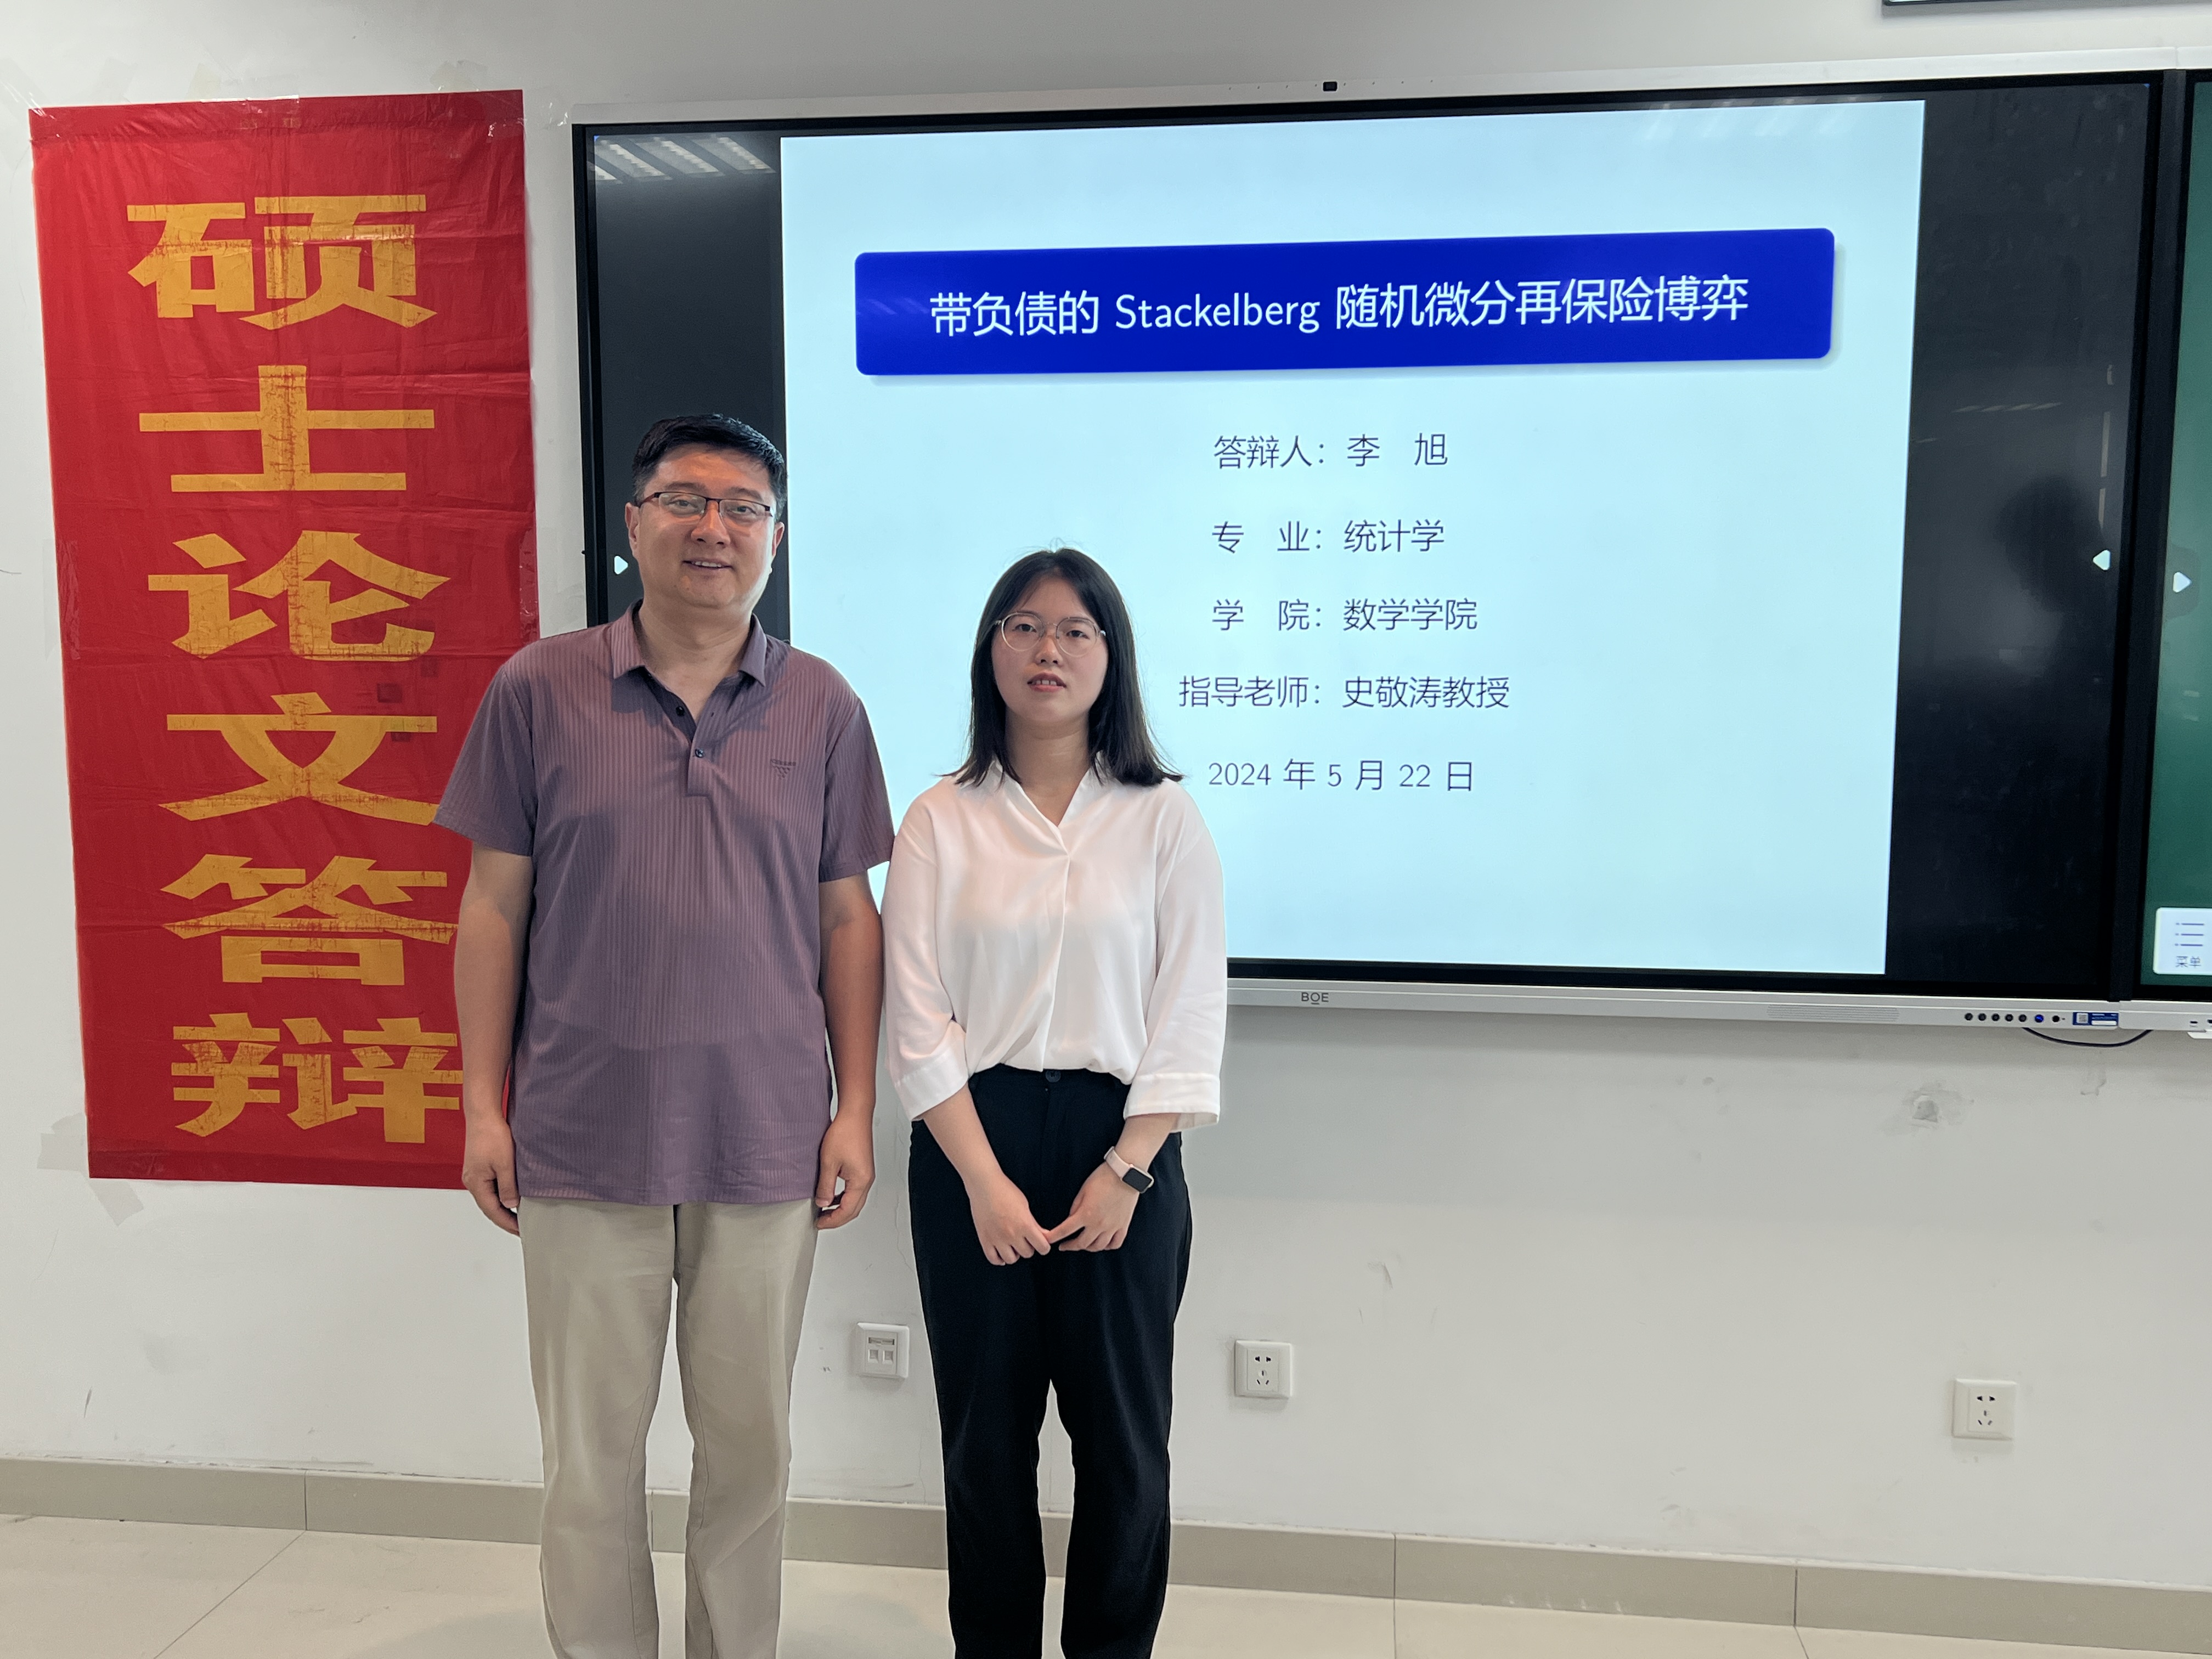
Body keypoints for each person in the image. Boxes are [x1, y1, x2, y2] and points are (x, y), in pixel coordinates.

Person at [437, 414, 894, 1659]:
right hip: (583, 1133)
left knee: (751, 1452)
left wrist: (855, 1108)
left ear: (777, 539)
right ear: (634, 524)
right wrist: (483, 1107)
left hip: (767, 1137)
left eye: (744, 508)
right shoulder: (540, 689)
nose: (714, 529)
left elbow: (848, 918)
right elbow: (493, 907)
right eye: (685, 501)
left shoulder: (823, 705)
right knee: (588, 1462)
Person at [882, 548, 1227, 1658]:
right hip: (970, 1144)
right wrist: (982, 1184)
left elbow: (1190, 1005)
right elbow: (915, 1015)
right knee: (984, 1444)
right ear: (991, 649)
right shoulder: (940, 818)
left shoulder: (1163, 818)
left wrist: (1129, 1169)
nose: (1049, 650)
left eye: (1078, 631)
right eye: (1024, 626)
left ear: (1111, 658)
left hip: (1121, 1145)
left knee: (1125, 1441)